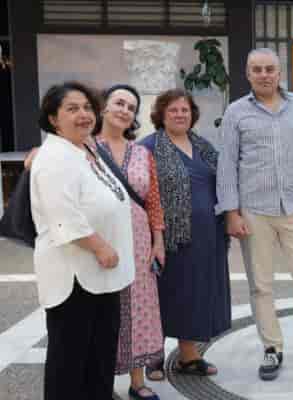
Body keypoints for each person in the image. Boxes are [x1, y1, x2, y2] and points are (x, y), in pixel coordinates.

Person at [216, 48, 293, 381]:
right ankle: (272, 348)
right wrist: (231, 212)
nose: (264, 75)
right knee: (261, 286)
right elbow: (227, 164)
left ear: (279, 72)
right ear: (248, 74)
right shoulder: (236, 112)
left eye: (269, 69)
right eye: (257, 69)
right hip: (254, 210)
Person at [31, 81, 135, 399]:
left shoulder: (84, 148)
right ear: (53, 118)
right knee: (70, 362)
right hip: (75, 277)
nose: (84, 114)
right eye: (72, 109)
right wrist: (100, 247)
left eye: (88, 107)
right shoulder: (54, 157)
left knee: (99, 359)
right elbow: (63, 216)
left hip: (100, 276)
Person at [140, 88, 231, 377]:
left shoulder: (203, 145)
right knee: (165, 294)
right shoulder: (148, 147)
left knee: (195, 294)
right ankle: (153, 356)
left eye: (185, 110)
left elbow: (225, 178)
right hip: (169, 238)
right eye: (173, 110)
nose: (180, 115)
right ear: (161, 115)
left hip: (207, 236)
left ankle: (188, 357)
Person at [92, 84, 166, 400]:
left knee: (139, 308)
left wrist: (158, 241)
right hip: (100, 241)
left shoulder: (142, 153)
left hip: (138, 242)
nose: (124, 110)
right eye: (119, 103)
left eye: (131, 107)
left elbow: (153, 200)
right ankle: (101, 383)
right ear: (104, 107)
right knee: (103, 310)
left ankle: (137, 382)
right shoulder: (84, 147)